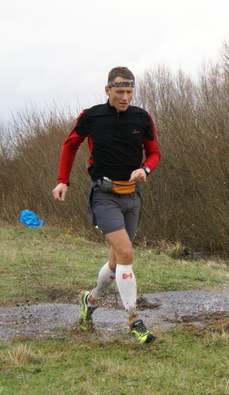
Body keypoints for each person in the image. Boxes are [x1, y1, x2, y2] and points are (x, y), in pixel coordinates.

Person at [52, 66, 161, 344]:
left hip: (132, 196)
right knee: (126, 253)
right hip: (104, 195)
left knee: (117, 261)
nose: (125, 97)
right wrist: (63, 180)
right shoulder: (91, 116)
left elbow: (154, 153)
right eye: (119, 91)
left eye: (129, 92)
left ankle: (90, 300)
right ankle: (134, 319)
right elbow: (70, 145)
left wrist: (145, 170)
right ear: (107, 90)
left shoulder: (142, 117)